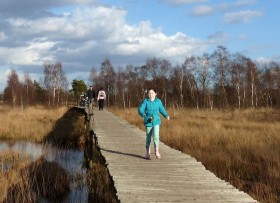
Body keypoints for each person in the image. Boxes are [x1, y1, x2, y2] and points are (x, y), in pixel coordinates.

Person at [138, 88, 170, 160]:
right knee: (148, 137)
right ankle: (147, 152)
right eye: (149, 93)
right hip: (148, 121)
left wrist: (166, 115)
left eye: (152, 93)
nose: (150, 95)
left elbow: (162, 109)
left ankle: (156, 151)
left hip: (156, 121)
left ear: (156, 94)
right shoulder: (145, 101)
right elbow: (140, 109)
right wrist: (143, 114)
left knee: (156, 136)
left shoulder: (158, 101)